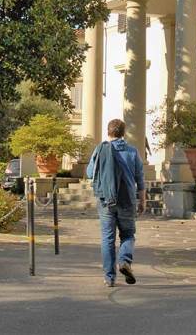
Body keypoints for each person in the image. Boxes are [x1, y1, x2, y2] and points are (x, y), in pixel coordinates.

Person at [86, 118, 146, 287]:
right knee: (127, 234)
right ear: (123, 133)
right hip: (127, 199)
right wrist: (142, 200)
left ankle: (109, 277)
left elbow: (90, 173)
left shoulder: (100, 150)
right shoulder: (132, 152)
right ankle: (125, 260)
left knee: (107, 238)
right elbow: (140, 178)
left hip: (105, 200)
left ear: (108, 132)